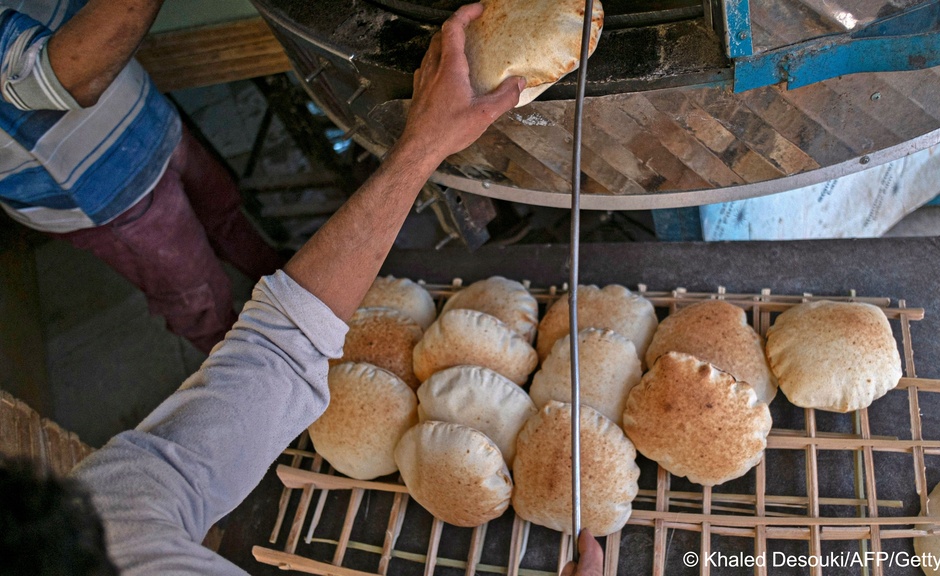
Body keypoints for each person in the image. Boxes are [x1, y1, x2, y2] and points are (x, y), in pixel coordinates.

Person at [3, 4, 606, 575]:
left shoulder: (110, 517)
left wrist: (423, 145)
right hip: (89, 194)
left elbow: (279, 347)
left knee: (223, 219)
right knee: (191, 293)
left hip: (136, 127)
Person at [0, 0, 283, 354]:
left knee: (225, 216)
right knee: (197, 298)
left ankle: (286, 294)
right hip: (103, 189)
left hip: (146, 116)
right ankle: (249, 368)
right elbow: (63, 78)